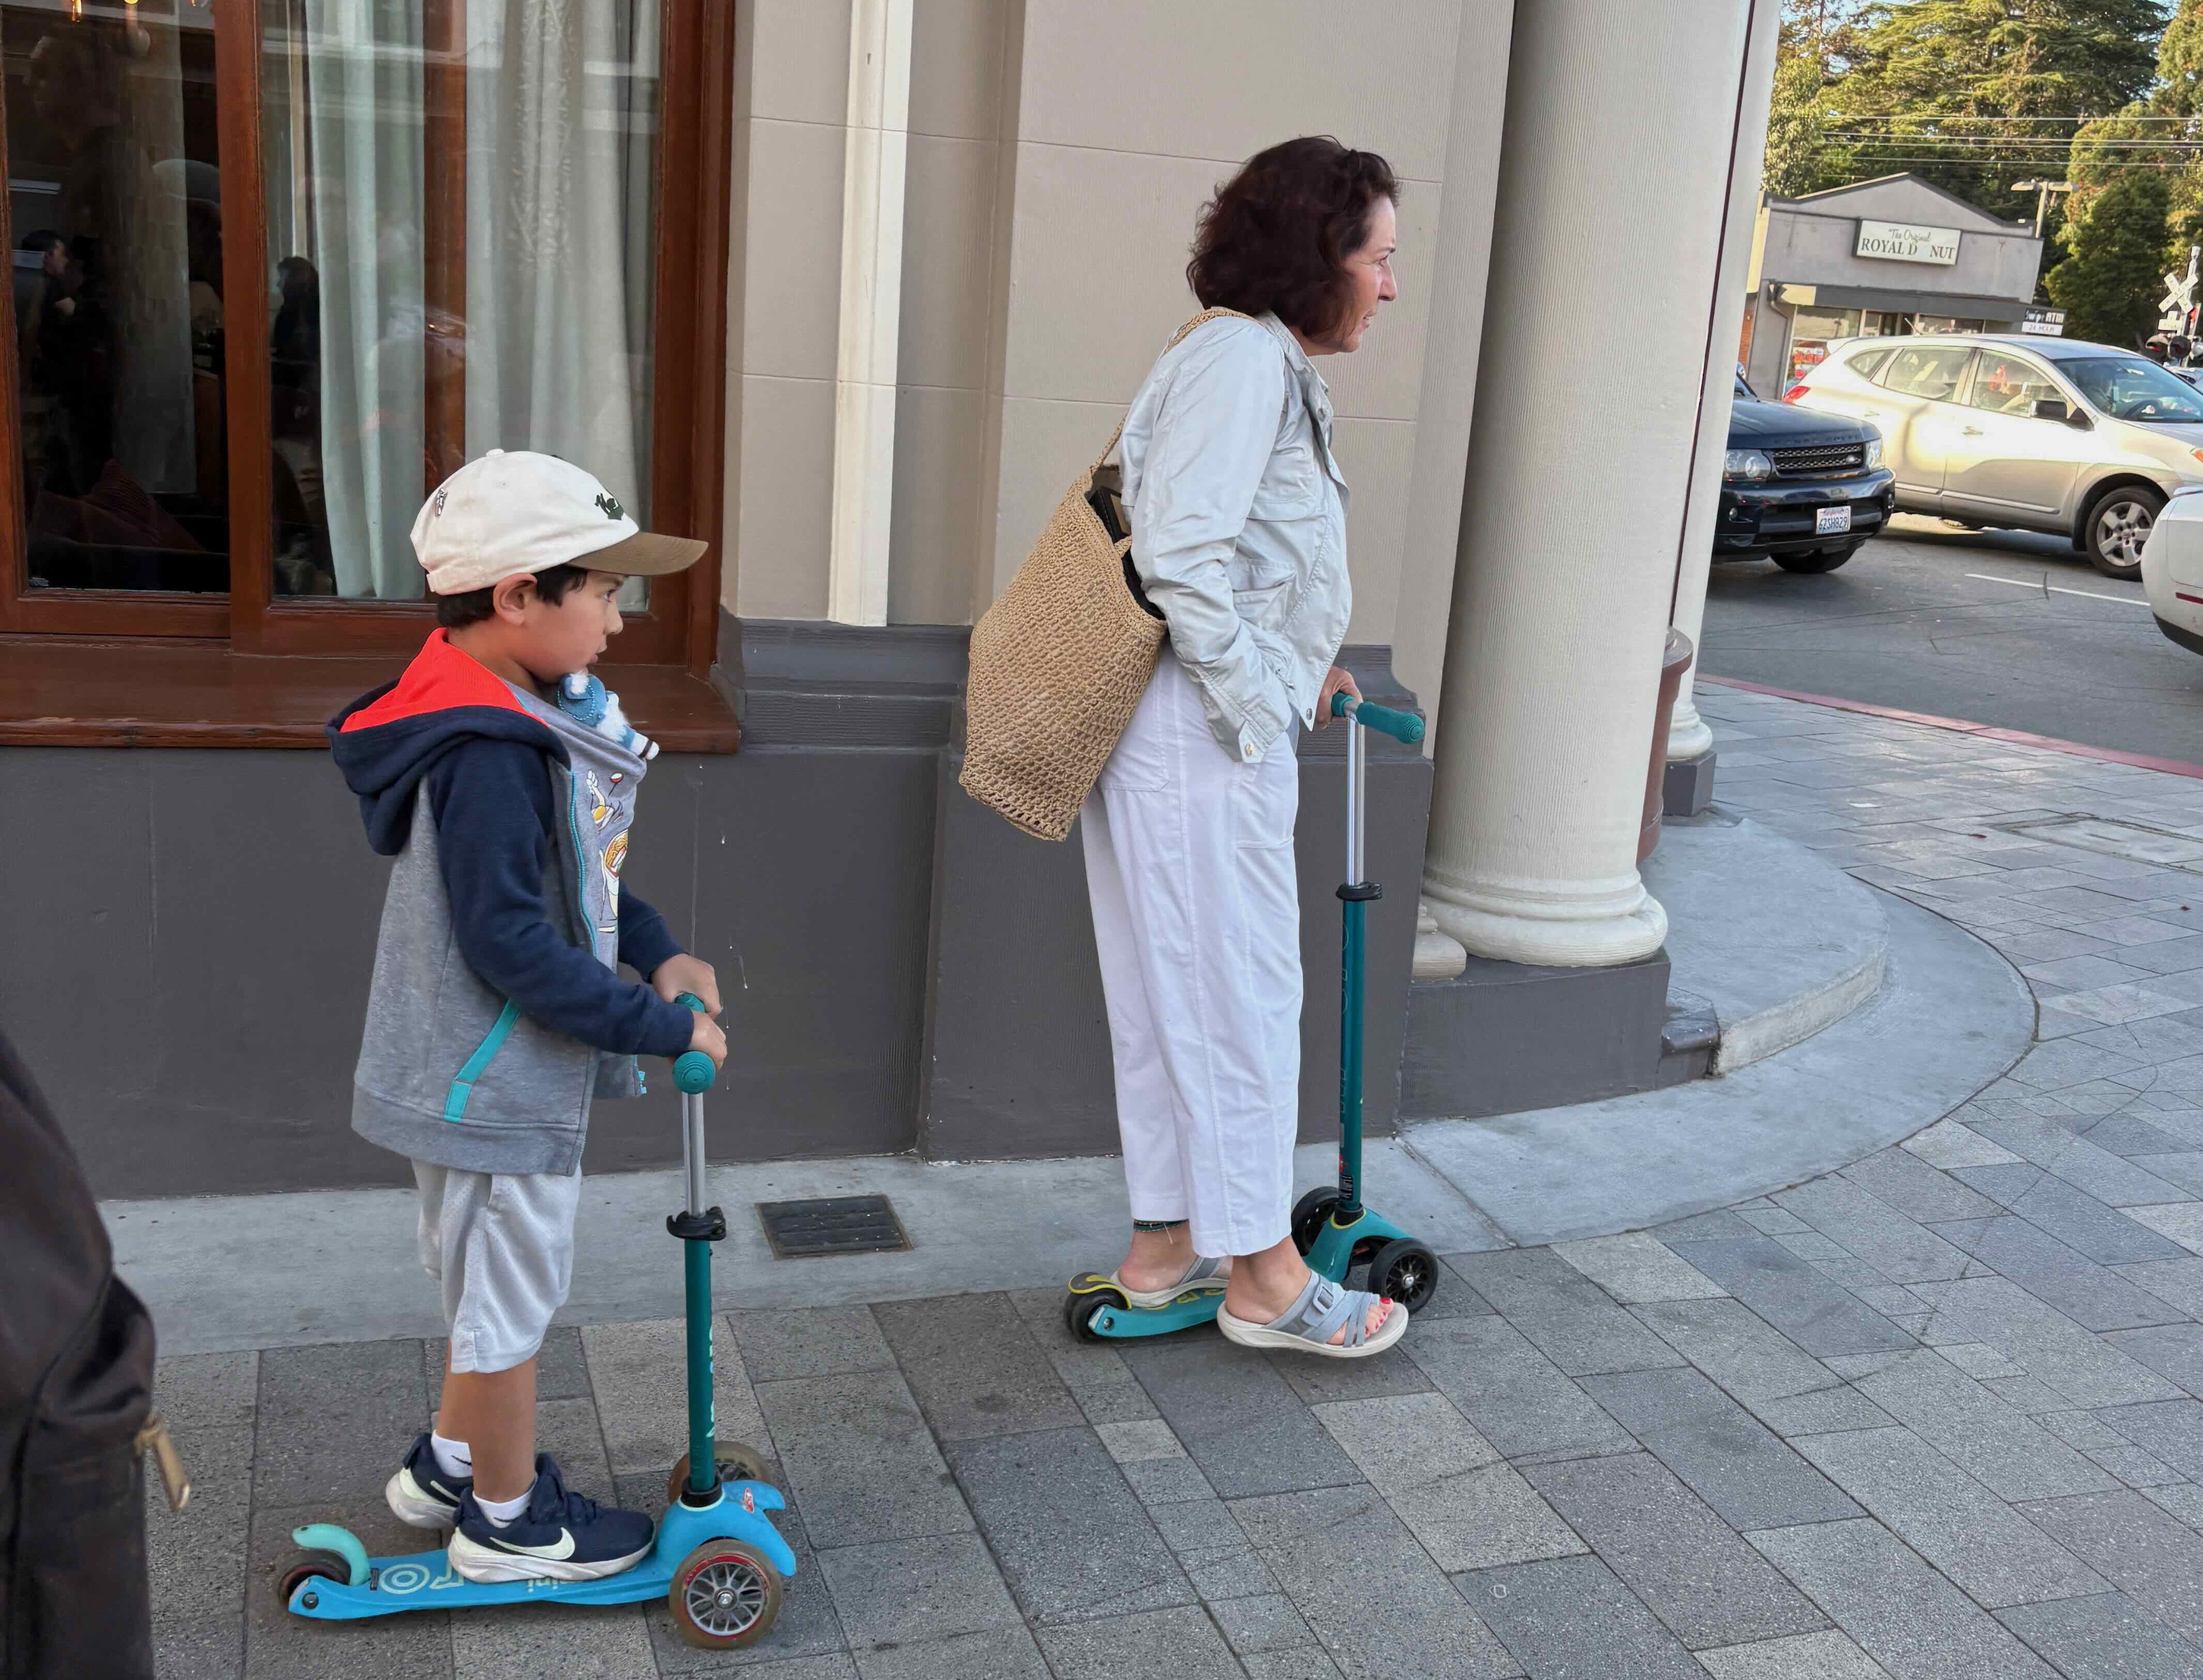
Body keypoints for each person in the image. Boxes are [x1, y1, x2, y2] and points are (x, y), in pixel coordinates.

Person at [327, 449, 727, 1582]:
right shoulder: (489, 751)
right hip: (490, 1078)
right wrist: (661, 1027)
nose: (616, 613)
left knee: (485, 1289)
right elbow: (511, 942)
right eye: (599, 586)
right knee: (509, 1303)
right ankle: (507, 1522)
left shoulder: (518, 710)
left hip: (484, 1070)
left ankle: (455, 1461)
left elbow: (579, 882)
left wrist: (655, 949)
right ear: (517, 598)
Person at [1083, 137, 1405, 1358]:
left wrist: (1290, 656)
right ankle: (1265, 1277)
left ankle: (1166, 1247)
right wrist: (1263, 694)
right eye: (1378, 258)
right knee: (1237, 993)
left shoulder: (1242, 356)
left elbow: (1227, 554)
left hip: (1187, 721)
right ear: (1319, 257)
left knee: (1175, 985)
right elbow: (1182, 558)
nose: (1389, 285)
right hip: (1199, 730)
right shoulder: (1240, 362)